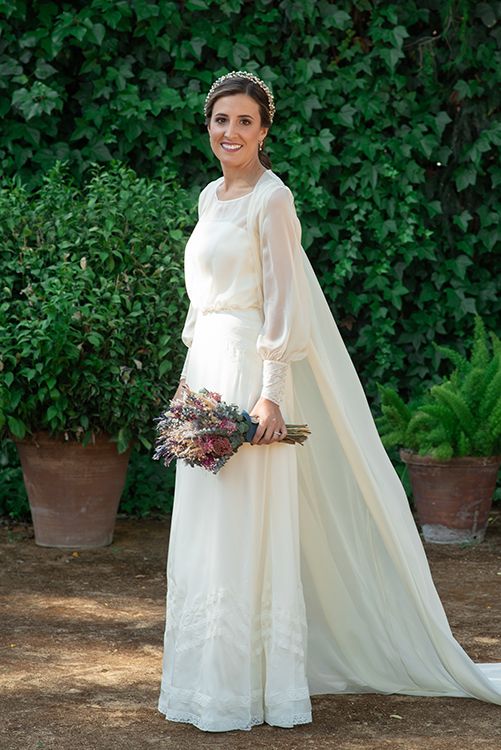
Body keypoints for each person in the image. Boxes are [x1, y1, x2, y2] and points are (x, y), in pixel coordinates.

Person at [157, 70, 501, 733]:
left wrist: (270, 396)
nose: (230, 132)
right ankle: (206, 681)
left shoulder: (272, 200)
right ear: (208, 124)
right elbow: (201, 306)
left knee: (244, 523)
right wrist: (184, 384)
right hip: (206, 373)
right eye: (220, 120)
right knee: (206, 526)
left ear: (264, 131)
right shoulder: (208, 197)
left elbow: (283, 304)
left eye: (244, 122)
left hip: (250, 373)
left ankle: (252, 689)